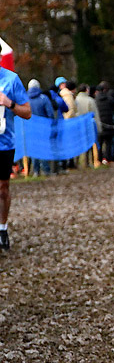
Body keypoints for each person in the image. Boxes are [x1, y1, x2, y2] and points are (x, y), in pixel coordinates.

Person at [0, 63, 31, 249]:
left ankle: (2, 228)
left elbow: (27, 113)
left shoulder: (11, 80)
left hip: (4, 144)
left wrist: (9, 103)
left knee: (2, 189)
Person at [27, 79, 54, 176]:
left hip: (30, 128)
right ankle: (46, 170)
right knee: (44, 148)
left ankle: (36, 171)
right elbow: (50, 113)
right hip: (43, 128)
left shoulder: (25, 99)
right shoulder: (44, 98)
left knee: (34, 149)